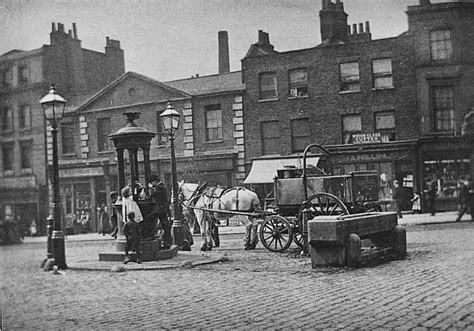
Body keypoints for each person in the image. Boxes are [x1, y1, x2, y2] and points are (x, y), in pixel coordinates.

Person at [145, 175, 173, 249]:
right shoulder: (161, 186)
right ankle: (166, 242)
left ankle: (152, 235)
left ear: (155, 181)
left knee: (147, 219)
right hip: (161, 210)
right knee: (165, 227)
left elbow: (152, 194)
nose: (152, 184)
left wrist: (150, 188)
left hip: (160, 210)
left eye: (152, 182)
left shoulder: (160, 187)